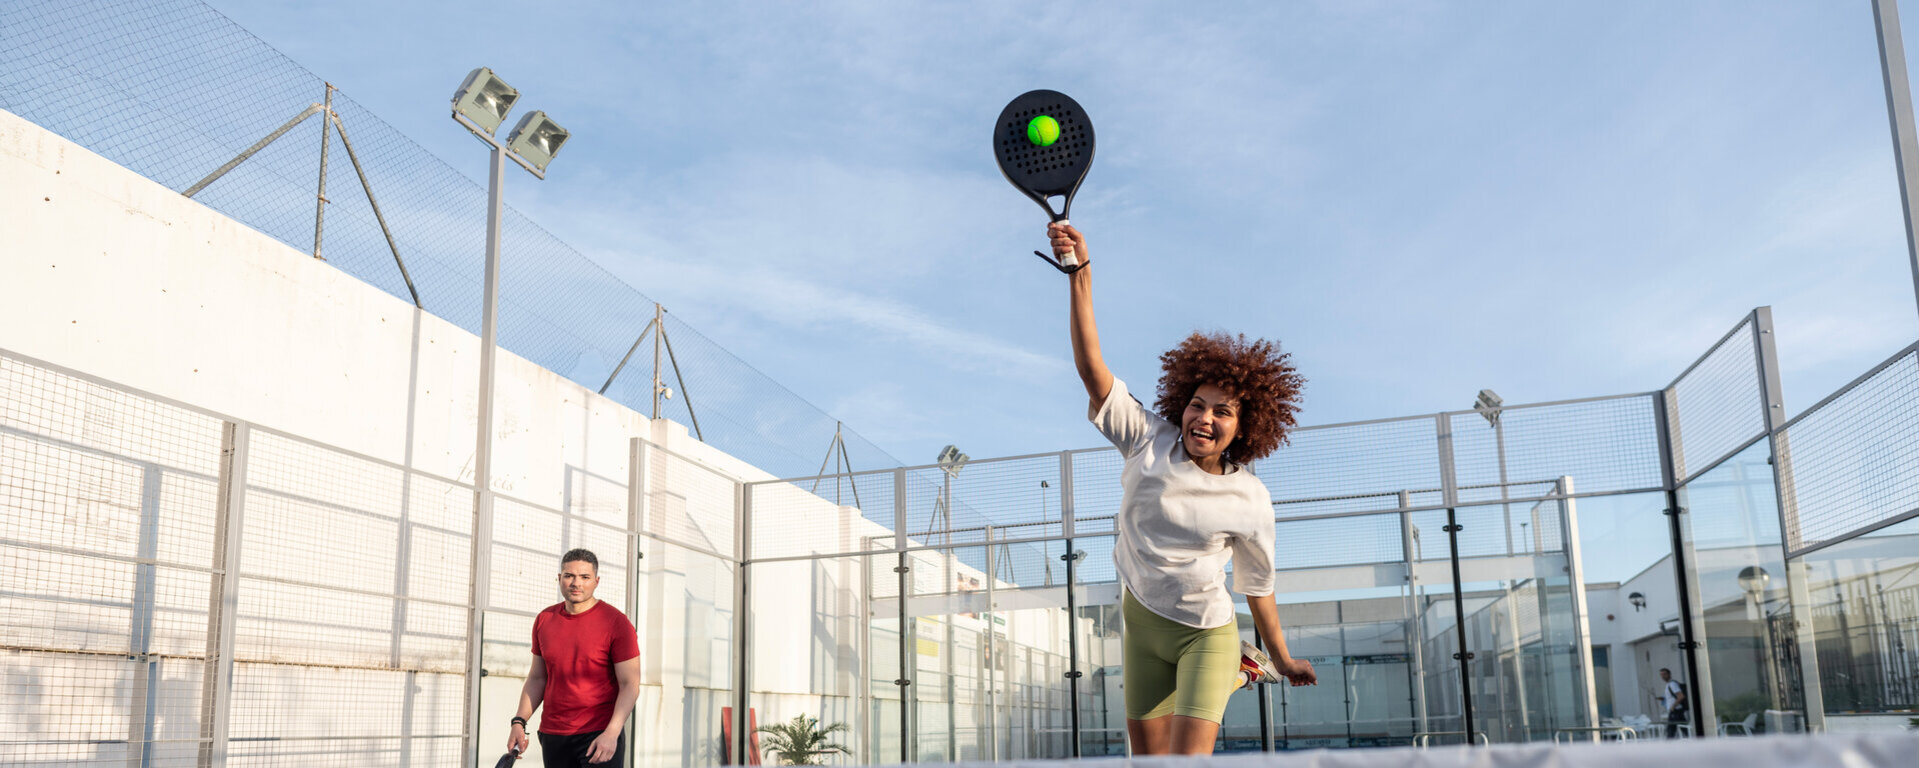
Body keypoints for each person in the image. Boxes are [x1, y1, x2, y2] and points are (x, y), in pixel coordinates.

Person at [1055, 222, 1317, 756]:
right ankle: (1238, 674)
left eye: (1223, 411)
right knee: (1148, 764)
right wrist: (1080, 273)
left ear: (1245, 427)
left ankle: (1238, 667)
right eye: (1198, 404)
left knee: (1183, 763)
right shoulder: (1147, 440)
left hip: (1206, 631)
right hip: (1142, 625)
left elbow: (1256, 586)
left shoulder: (1250, 498)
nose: (1205, 418)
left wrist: (1283, 657)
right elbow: (1091, 369)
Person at [509, 549, 642, 766]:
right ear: (559, 579)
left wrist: (612, 733)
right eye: (569, 576)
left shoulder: (616, 623)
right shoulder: (544, 619)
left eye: (585, 577)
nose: (575, 583)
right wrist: (519, 722)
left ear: (596, 581)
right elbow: (537, 678)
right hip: (554, 735)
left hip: (599, 736)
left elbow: (630, 684)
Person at [1656, 667, 1688, 738]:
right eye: (1661, 675)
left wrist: (1673, 706)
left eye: (1664, 674)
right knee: (1683, 729)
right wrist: (1663, 699)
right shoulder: (1668, 685)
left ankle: (1669, 746)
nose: (1663, 676)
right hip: (1675, 711)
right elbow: (1672, 697)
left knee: (1671, 731)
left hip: (1675, 711)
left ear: (1669, 674)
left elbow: (1681, 696)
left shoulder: (1672, 684)